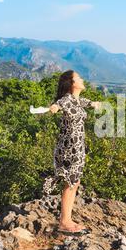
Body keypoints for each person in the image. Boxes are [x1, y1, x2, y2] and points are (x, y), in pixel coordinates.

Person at [43, 70, 100, 235]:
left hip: (77, 148)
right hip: (69, 149)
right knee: (71, 182)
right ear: (71, 83)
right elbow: (59, 104)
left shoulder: (77, 100)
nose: (82, 79)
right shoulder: (67, 100)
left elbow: (84, 102)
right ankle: (64, 222)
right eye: (79, 77)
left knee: (75, 182)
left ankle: (66, 219)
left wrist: (94, 104)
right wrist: (53, 107)